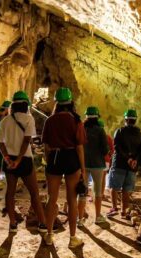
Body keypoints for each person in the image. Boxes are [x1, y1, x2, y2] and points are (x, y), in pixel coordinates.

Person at [42, 87, 86, 248]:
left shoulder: (50, 120)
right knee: (72, 200)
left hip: (54, 157)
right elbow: (80, 147)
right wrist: (83, 169)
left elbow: (46, 145)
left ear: (57, 103)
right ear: (70, 102)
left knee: (51, 199)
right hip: (71, 158)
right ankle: (73, 238)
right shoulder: (76, 120)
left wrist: (49, 160)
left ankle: (49, 235)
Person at [0, 90, 47, 233]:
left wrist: (7, 158)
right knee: (34, 193)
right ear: (26, 105)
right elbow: (27, 140)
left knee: (10, 193)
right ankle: (42, 224)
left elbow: (0, 142)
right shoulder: (28, 118)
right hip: (24, 159)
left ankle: (12, 224)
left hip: (9, 160)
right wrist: (19, 159)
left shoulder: (5, 120)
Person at [107, 109, 141, 218]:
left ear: (126, 119)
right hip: (132, 167)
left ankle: (114, 208)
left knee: (114, 187)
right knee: (126, 190)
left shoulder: (119, 131)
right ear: (135, 120)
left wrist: (128, 159)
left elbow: (117, 147)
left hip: (119, 164)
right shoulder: (140, 134)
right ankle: (124, 211)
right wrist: (135, 160)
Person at [77, 107, 109, 227]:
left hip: (83, 164)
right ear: (97, 117)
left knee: (82, 191)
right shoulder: (100, 130)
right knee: (97, 192)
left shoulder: (81, 128)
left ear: (86, 117)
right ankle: (97, 217)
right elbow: (105, 150)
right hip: (97, 164)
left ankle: (79, 219)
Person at [98, 119, 114, 200]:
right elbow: (112, 150)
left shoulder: (93, 137)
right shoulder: (108, 137)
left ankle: (96, 195)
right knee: (103, 178)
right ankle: (101, 194)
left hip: (95, 160)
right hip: (105, 160)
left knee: (96, 178)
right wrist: (109, 157)